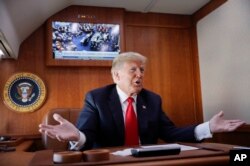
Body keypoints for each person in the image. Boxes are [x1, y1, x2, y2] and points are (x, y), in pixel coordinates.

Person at [39, 52, 245, 151]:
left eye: (142, 70)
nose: (140, 75)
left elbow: (169, 133)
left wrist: (208, 127)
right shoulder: (97, 98)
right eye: (133, 70)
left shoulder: (152, 99)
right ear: (116, 76)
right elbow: (88, 136)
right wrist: (77, 136)